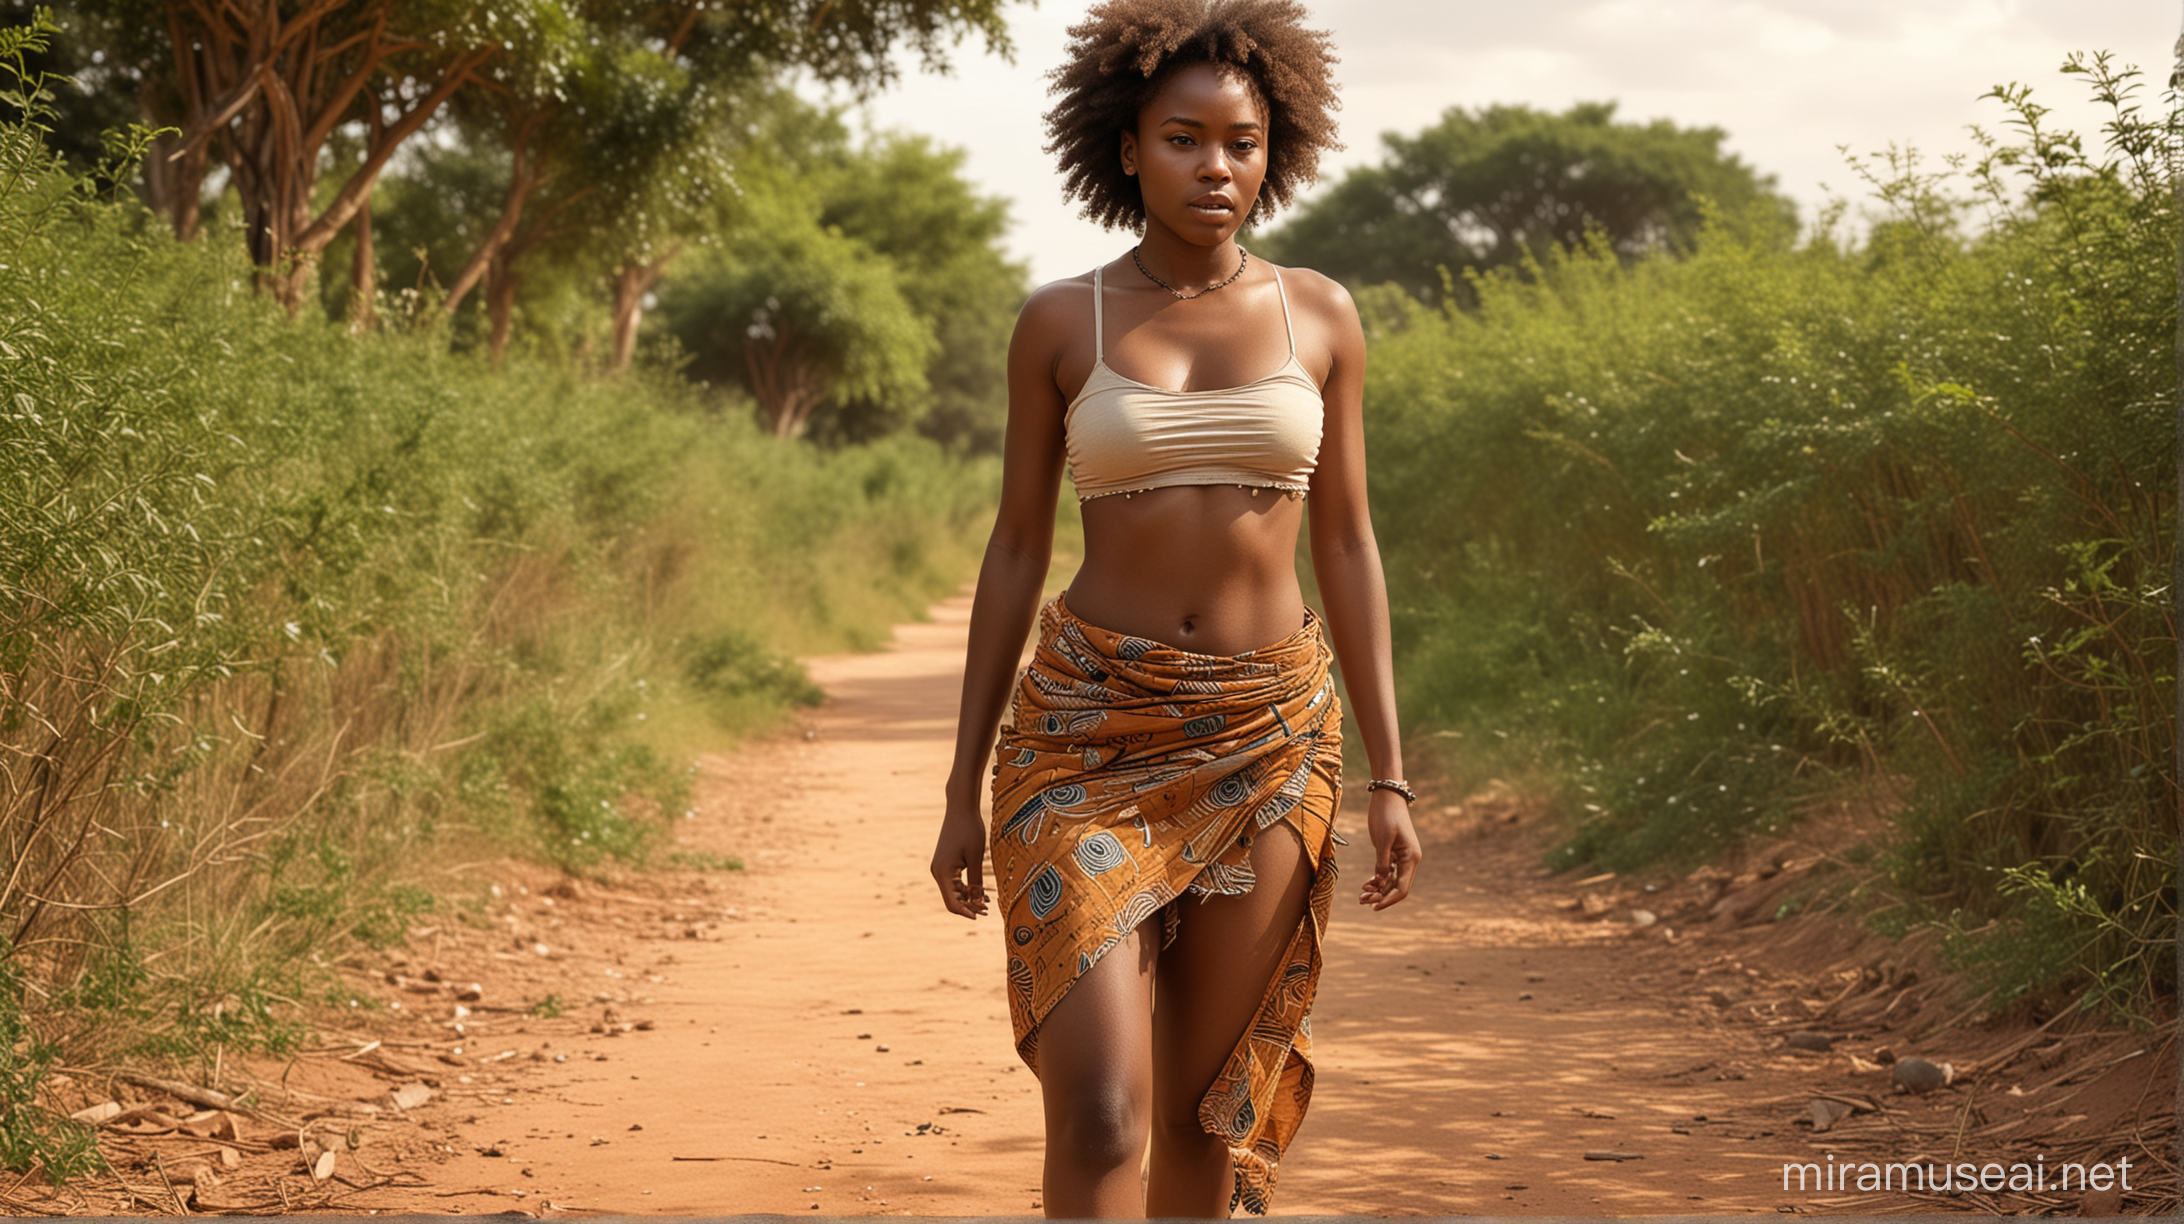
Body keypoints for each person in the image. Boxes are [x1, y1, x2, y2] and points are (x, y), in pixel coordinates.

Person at [929, 0, 1420, 1215]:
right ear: (1128, 147)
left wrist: (1392, 775)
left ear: (1276, 151)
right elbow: (1015, 546)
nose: (1217, 167)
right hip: (1083, 737)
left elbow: (1349, 542)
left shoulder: (1322, 314)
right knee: (1100, 1111)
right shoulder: (1061, 319)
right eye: (1185, 138)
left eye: (1242, 142)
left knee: (1203, 1121)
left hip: (1264, 738)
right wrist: (958, 785)